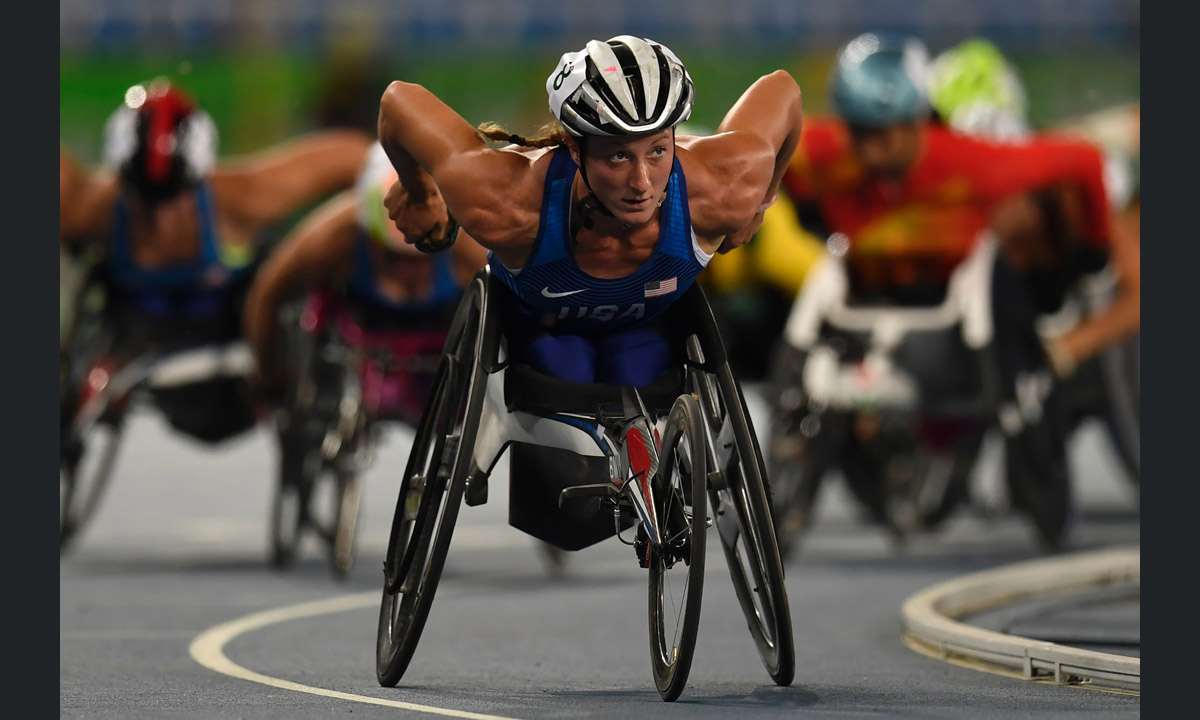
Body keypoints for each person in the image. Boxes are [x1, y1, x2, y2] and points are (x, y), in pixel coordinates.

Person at [375, 35, 802, 389]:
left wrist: (761, 203)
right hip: (541, 331)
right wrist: (420, 192)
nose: (642, 182)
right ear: (575, 149)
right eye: (617, 157)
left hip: (651, 331)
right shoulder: (507, 203)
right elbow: (398, 101)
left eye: (657, 150)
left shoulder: (722, 189)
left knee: (636, 369)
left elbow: (785, 89)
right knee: (567, 370)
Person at [60, 77, 373, 443]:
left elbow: (356, 156)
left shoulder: (241, 198)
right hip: (137, 343)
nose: (162, 219)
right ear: (121, 183)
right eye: (146, 200)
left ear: (200, 179)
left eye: (175, 199)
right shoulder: (90, 208)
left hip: (234, 365)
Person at [243, 141, 489, 416]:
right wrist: (272, 377)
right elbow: (269, 295)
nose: (405, 271)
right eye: (392, 257)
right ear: (366, 230)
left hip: (443, 336)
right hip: (359, 333)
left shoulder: (471, 244)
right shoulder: (334, 236)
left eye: (421, 256)